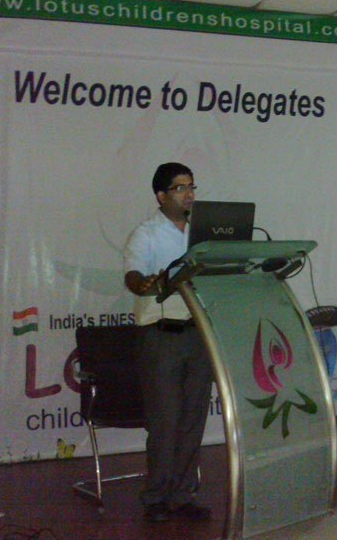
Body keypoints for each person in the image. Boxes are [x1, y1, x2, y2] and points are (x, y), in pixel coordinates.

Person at [122, 162, 215, 523]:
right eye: (180, 188)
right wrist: (143, 282)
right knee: (164, 421)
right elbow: (133, 275)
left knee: (193, 419)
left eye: (191, 186)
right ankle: (157, 497)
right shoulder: (145, 234)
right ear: (161, 196)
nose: (188, 194)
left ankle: (184, 495)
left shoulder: (203, 236)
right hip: (161, 336)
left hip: (200, 334)